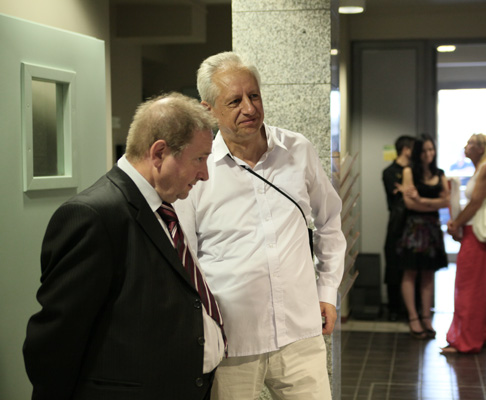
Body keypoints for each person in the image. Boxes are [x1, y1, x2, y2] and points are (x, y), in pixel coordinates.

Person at [23, 93, 225, 400]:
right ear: (159, 153)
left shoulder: (162, 208)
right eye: (199, 159)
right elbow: (55, 342)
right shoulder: (93, 216)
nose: (205, 174)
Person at [175, 52, 346, 399]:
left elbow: (329, 221)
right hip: (232, 342)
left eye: (254, 96)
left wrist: (327, 291)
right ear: (208, 110)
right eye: (235, 101)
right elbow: (184, 256)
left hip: (300, 333)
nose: (249, 108)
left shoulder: (297, 149)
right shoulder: (198, 168)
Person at [443, 133, 486, 354]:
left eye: (470, 143)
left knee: (468, 287)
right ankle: (479, 333)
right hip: (474, 233)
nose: (466, 147)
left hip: (477, 235)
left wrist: (456, 223)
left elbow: (476, 203)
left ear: (480, 148)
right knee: (476, 287)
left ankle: (466, 340)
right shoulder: (481, 169)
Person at [398, 134, 449, 339]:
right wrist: (432, 203)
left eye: (431, 149)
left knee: (429, 273)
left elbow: (446, 201)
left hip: (432, 228)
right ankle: (413, 317)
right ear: (418, 152)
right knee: (410, 272)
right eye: (425, 150)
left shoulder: (440, 173)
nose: (429, 154)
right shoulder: (409, 171)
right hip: (414, 228)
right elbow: (409, 204)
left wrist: (421, 200)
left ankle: (426, 317)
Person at [382, 135, 415, 321]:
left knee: (412, 267)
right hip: (397, 224)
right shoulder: (389, 172)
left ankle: (412, 309)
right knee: (393, 265)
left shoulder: (416, 170)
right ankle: (394, 308)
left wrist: (405, 190)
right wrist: (406, 192)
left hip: (414, 225)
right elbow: (395, 197)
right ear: (406, 149)